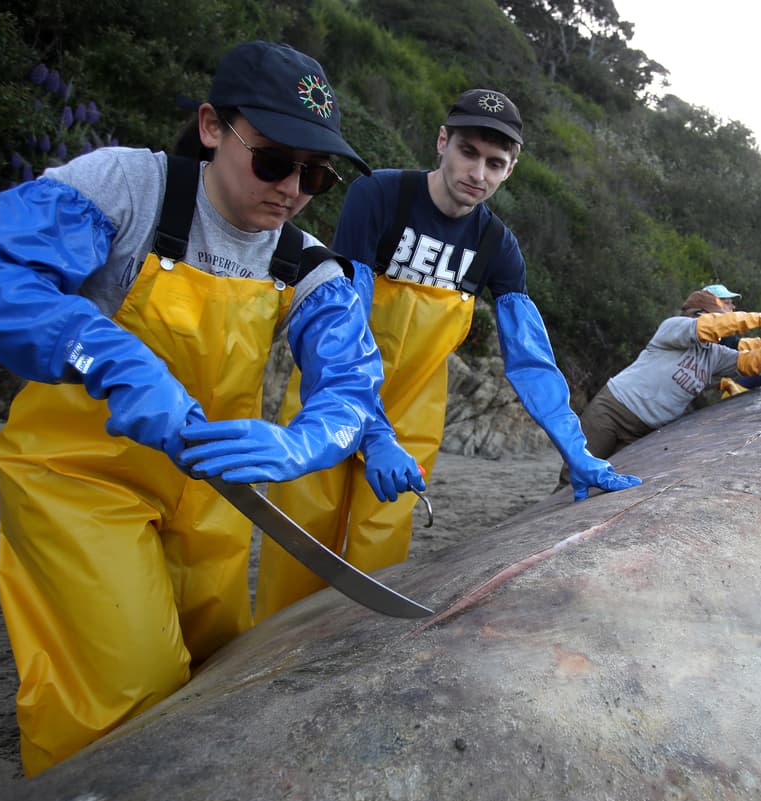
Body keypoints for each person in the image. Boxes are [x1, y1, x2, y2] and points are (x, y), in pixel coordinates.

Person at [0, 41, 384, 774]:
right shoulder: (125, 189)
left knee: (217, 674)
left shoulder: (304, 262)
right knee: (123, 694)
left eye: (316, 175)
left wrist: (305, 441)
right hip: (81, 480)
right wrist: (102, 352)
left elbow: (352, 385)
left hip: (210, 491)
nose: (292, 190)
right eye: (273, 161)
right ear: (211, 127)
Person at [255, 88, 641, 620]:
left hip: (415, 415)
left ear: (510, 170)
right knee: (300, 542)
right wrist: (371, 432)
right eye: (468, 152)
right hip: (329, 395)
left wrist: (576, 451)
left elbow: (530, 360)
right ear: (442, 141)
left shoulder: (498, 247)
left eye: (495, 163)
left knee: (378, 556)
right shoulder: (380, 195)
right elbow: (344, 322)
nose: (477, 173)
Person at [561, 289, 761, 478]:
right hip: (612, 412)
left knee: (607, 485)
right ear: (701, 315)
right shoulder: (674, 328)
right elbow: (710, 327)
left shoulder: (715, 355)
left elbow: (753, 361)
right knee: (574, 477)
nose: (726, 326)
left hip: (644, 432)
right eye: (720, 316)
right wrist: (760, 319)